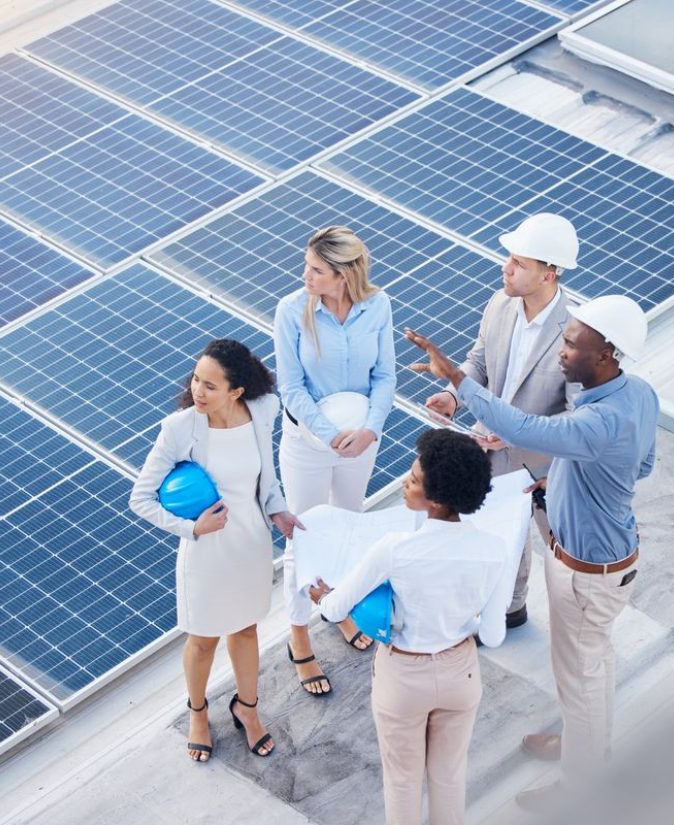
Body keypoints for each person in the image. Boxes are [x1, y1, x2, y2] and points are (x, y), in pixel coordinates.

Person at [407, 294, 659, 809]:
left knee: (580, 675)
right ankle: (585, 747)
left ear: (606, 353)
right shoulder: (638, 395)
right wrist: (561, 481)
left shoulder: (597, 423)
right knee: (594, 664)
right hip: (608, 562)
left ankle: (580, 785)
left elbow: (527, 430)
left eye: (571, 342)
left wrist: (458, 379)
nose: (561, 350)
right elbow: (643, 465)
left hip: (586, 574)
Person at [308, 429, 510, 825]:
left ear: (433, 500)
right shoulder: (494, 550)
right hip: (460, 674)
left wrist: (322, 597)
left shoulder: (395, 548)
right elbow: (493, 635)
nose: (405, 480)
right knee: (449, 777)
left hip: (403, 678)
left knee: (402, 781)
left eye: (414, 479)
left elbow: (334, 610)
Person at [130, 338, 301, 762]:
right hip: (206, 552)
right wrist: (193, 527)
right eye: (195, 380)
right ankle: (198, 714)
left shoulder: (263, 411)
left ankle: (248, 708)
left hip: (251, 544)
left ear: (237, 391)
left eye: (209, 385)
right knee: (203, 640)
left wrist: (278, 511)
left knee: (246, 630)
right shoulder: (180, 428)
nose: (197, 392)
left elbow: (266, 476)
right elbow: (141, 498)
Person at [425, 213, 579, 631]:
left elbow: (580, 420)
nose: (505, 268)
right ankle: (509, 609)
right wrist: (454, 396)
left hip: (544, 467)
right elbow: (479, 360)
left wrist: (515, 432)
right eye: (508, 258)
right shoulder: (499, 303)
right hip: (487, 451)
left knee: (563, 552)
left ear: (548, 275)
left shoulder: (578, 336)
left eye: (519, 263)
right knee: (498, 538)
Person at [274, 225, 396, 696]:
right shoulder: (291, 311)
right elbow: (291, 388)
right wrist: (330, 436)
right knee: (302, 538)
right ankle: (299, 636)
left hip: (362, 441)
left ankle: (339, 606)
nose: (305, 275)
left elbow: (384, 376)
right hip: (309, 443)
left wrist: (370, 430)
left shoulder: (377, 306)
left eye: (316, 270)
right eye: (307, 265)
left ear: (344, 275)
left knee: (348, 527)